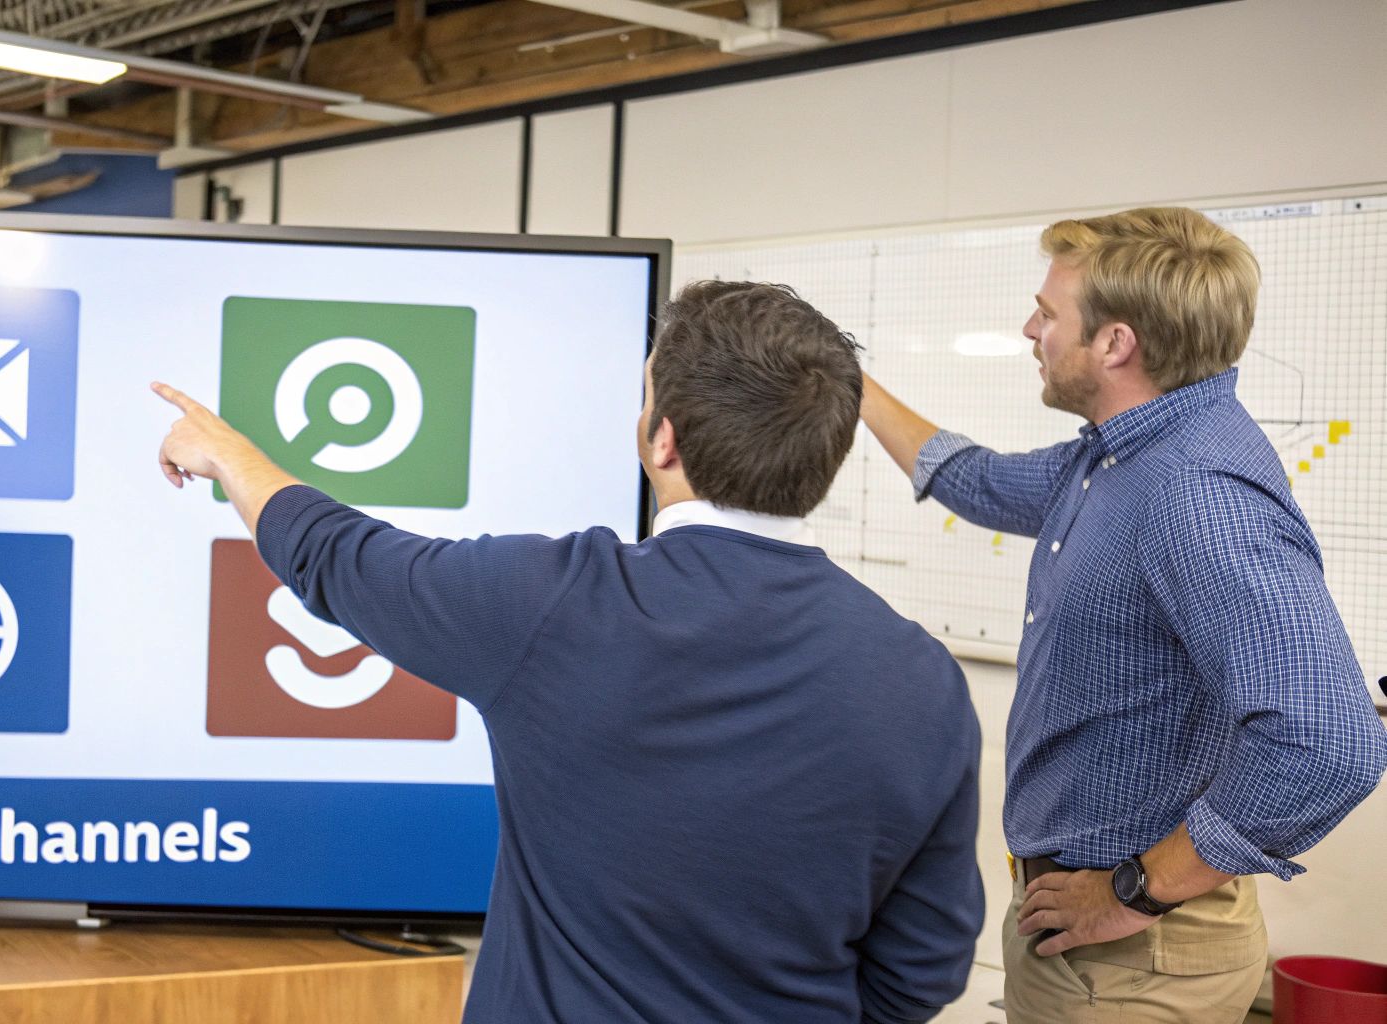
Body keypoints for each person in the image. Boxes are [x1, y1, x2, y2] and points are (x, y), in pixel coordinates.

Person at [151, 281, 984, 1024]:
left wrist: (226, 452)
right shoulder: (922, 680)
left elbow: (337, 557)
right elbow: (921, 971)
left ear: (662, 439)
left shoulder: (555, 602)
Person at [860, 207, 1387, 1023]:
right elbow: (981, 482)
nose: (1030, 328)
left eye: (1048, 312)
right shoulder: (1118, 452)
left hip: (1130, 963)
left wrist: (1135, 891)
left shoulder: (1195, 496)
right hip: (1091, 938)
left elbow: (1330, 743)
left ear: (1114, 344)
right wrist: (851, 383)